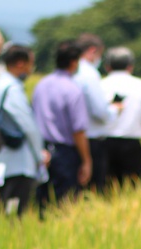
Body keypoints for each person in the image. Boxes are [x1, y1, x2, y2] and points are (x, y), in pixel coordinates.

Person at [0, 44, 50, 217]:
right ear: (21, 63)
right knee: (13, 213)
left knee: (7, 208)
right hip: (17, 163)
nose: (31, 70)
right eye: (31, 64)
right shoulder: (12, 89)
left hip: (3, 158)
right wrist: (39, 155)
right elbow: (28, 126)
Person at [33, 40, 92, 211]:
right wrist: (86, 161)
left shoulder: (41, 85)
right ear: (74, 62)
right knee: (65, 204)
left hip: (42, 150)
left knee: (42, 201)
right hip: (65, 153)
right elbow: (78, 130)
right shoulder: (73, 89)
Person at [100, 47, 141, 187]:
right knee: (131, 187)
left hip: (104, 144)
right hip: (132, 145)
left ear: (107, 66)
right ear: (130, 66)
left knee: (106, 188)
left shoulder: (100, 85)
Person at [73, 33, 121, 194]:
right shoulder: (89, 74)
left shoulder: (71, 70)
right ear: (92, 51)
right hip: (92, 139)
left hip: (71, 140)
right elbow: (100, 112)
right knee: (93, 189)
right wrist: (115, 109)